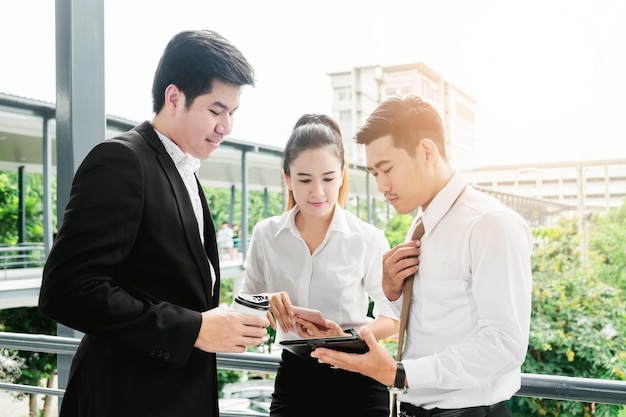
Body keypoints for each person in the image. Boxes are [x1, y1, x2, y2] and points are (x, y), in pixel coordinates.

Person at [38, 30, 269, 417]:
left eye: (232, 113)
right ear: (174, 97)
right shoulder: (120, 161)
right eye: (216, 110)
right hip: (123, 401)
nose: (226, 127)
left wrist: (223, 321)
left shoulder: (187, 173)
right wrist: (193, 329)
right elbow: (67, 289)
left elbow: (171, 286)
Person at [311, 96, 533, 417]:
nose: (382, 186)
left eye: (387, 169)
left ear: (427, 152)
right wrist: (391, 292)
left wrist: (401, 374)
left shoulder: (490, 223)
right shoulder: (421, 223)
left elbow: (504, 344)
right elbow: (429, 323)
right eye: (374, 173)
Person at [239, 113, 400, 417]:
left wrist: (349, 338)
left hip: (359, 374)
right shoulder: (266, 235)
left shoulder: (366, 238)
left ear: (342, 174)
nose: (318, 192)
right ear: (286, 178)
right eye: (304, 180)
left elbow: (392, 316)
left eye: (328, 178)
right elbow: (244, 309)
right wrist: (265, 302)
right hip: (296, 379)